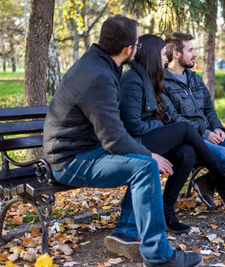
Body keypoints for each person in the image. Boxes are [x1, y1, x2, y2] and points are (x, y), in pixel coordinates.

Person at [43, 15, 202, 267]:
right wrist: (150, 155)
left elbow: (112, 131)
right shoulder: (99, 76)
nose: (138, 49)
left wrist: (145, 151)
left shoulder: (100, 64)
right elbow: (113, 139)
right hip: (70, 161)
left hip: (85, 150)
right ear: (128, 49)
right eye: (137, 44)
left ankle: (127, 231)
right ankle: (159, 255)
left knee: (143, 159)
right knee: (145, 165)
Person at [119, 34, 225, 233]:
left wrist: (216, 128)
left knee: (188, 153)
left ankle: (168, 211)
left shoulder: (150, 78)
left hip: (156, 138)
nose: (165, 59)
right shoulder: (133, 81)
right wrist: (164, 128)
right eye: (161, 55)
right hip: (135, 143)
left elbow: (209, 110)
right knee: (186, 131)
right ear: (152, 55)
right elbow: (134, 126)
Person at [162, 32, 225, 213]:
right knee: (223, 154)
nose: (195, 54)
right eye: (190, 50)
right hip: (189, 139)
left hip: (210, 133)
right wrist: (205, 133)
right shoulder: (162, 84)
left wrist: (217, 127)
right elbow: (174, 119)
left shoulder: (194, 78)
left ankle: (209, 182)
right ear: (176, 53)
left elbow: (209, 109)